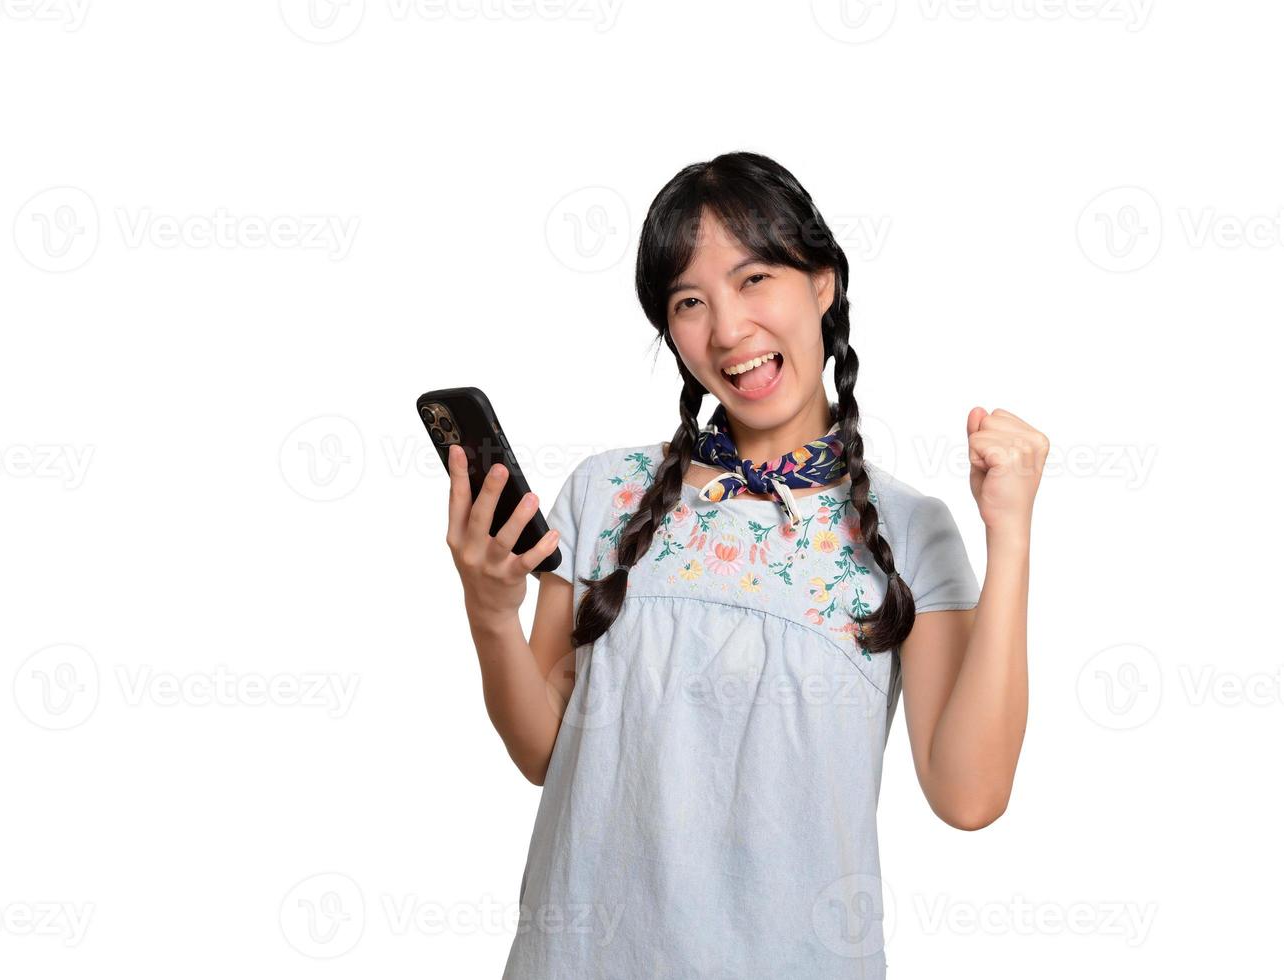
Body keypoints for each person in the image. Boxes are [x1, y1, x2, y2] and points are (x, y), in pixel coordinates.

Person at [444, 151, 1045, 979]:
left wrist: (1009, 536)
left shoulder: (911, 532)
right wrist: (488, 613)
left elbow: (969, 796)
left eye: (755, 278)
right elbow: (545, 751)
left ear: (823, 282)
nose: (728, 330)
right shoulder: (606, 493)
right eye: (690, 302)